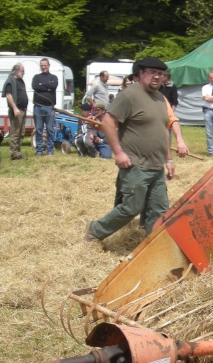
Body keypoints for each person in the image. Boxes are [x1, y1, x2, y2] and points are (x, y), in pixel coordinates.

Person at [85, 57, 174, 242]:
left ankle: (151, 245)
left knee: (159, 209)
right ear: (139, 74)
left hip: (156, 166)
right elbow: (108, 122)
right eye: (152, 72)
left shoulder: (159, 98)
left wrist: (169, 159)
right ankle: (95, 230)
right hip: (136, 164)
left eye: (160, 74)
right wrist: (118, 152)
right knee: (131, 207)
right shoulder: (129, 95)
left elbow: (163, 130)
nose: (157, 77)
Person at [32, 58, 58, 156]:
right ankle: (39, 150)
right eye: (41, 65)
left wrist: (42, 86)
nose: (43, 67)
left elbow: (54, 86)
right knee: (38, 129)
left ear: (48, 65)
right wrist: (47, 87)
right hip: (38, 107)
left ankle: (50, 150)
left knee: (50, 130)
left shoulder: (54, 77)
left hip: (49, 107)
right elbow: (35, 87)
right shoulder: (36, 77)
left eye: (45, 65)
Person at [3, 63, 28, 161]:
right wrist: (15, 108)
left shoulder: (20, 81)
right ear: (16, 71)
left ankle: (18, 152)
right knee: (15, 132)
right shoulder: (10, 81)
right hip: (16, 110)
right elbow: (8, 95)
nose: (24, 72)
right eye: (22, 70)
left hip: (23, 109)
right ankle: (14, 153)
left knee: (21, 132)